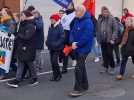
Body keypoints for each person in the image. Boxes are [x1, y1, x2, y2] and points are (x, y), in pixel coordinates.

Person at [7, 10, 38, 88]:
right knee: (20, 64)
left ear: (27, 16)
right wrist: (14, 34)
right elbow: (18, 35)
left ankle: (34, 78)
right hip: (21, 47)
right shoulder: (21, 24)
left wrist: (18, 34)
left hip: (28, 48)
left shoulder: (31, 26)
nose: (21, 17)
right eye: (21, 16)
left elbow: (27, 37)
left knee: (30, 64)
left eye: (23, 15)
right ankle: (17, 80)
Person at [69, 5, 94, 97]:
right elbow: (72, 31)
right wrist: (72, 41)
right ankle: (85, 85)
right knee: (81, 66)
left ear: (82, 12)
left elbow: (86, 37)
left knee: (78, 68)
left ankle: (78, 89)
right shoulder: (76, 20)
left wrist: (77, 44)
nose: (75, 13)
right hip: (77, 47)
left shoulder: (88, 22)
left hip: (84, 49)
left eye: (76, 11)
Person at [96, 6, 118, 75]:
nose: (105, 13)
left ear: (108, 12)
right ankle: (106, 67)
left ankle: (112, 67)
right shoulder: (100, 20)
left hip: (110, 40)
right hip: (103, 40)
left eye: (106, 11)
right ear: (102, 12)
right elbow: (97, 30)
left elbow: (115, 29)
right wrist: (98, 40)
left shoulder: (112, 19)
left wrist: (112, 38)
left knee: (110, 54)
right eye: (103, 12)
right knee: (104, 54)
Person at [46, 13, 64, 81]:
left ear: (56, 20)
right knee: (52, 62)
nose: (51, 21)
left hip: (57, 48)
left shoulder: (59, 27)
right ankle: (54, 75)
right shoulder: (50, 26)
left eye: (52, 19)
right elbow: (49, 36)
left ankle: (58, 74)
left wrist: (56, 44)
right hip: (51, 47)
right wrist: (47, 42)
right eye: (51, 20)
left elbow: (62, 37)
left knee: (54, 61)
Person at [58, 8, 76, 74]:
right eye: (59, 13)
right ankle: (72, 60)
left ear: (64, 13)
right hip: (63, 36)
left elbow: (65, 25)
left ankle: (64, 67)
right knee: (66, 51)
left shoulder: (66, 18)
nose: (59, 14)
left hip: (66, 36)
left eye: (61, 13)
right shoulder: (60, 19)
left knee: (66, 51)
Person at [0, 7, 16, 80]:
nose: (1, 12)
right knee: (2, 59)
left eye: (2, 11)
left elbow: (11, 32)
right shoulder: (2, 20)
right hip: (1, 43)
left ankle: (3, 74)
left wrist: (4, 31)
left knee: (5, 59)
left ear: (6, 13)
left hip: (6, 44)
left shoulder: (11, 22)